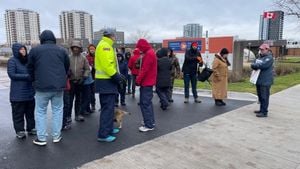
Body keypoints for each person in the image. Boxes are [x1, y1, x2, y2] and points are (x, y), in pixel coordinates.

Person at [27, 30, 70, 146]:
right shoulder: (62, 50)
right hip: (58, 87)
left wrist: (33, 80)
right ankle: (56, 136)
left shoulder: (35, 50)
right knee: (58, 110)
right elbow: (67, 66)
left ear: (41, 39)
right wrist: (62, 78)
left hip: (41, 87)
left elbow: (29, 67)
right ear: (53, 38)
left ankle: (41, 138)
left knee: (40, 111)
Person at [95, 28, 126, 142]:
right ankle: (103, 134)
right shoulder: (105, 46)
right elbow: (107, 65)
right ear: (111, 36)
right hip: (106, 81)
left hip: (107, 81)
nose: (115, 37)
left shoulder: (106, 45)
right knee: (107, 109)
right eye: (114, 35)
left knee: (109, 108)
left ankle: (108, 129)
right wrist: (117, 77)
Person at [7, 43, 35, 139]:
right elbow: (12, 74)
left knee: (30, 112)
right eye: (21, 49)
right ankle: (20, 130)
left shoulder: (28, 61)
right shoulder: (12, 61)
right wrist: (27, 76)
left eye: (24, 49)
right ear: (16, 51)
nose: (23, 51)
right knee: (18, 113)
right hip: (17, 93)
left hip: (29, 92)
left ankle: (31, 128)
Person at [135, 38, 157, 132]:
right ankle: (150, 122)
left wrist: (138, 80)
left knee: (145, 103)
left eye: (140, 48)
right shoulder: (151, 52)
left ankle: (148, 125)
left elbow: (144, 69)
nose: (139, 50)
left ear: (143, 46)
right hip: (149, 81)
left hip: (146, 82)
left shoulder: (148, 54)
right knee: (148, 103)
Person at [67, 40, 90, 122]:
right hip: (71, 82)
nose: (75, 49)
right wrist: (67, 73)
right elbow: (65, 68)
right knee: (69, 100)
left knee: (79, 99)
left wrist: (84, 77)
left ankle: (78, 114)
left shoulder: (83, 58)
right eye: (74, 47)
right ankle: (68, 116)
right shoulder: (68, 58)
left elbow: (87, 69)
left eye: (77, 47)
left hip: (80, 81)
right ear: (72, 48)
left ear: (80, 48)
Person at [251, 43, 274, 118]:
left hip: (265, 81)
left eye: (262, 49)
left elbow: (263, 65)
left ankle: (264, 112)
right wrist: (255, 65)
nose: (261, 51)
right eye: (260, 49)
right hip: (259, 80)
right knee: (260, 96)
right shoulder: (259, 57)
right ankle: (261, 109)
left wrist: (255, 65)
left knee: (264, 97)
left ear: (267, 49)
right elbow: (253, 64)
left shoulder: (269, 58)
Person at [86, 44, 97, 111]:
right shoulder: (87, 57)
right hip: (89, 76)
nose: (92, 50)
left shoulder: (97, 56)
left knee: (93, 92)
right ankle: (88, 106)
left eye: (93, 49)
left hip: (95, 76)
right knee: (88, 92)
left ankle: (93, 104)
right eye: (91, 49)